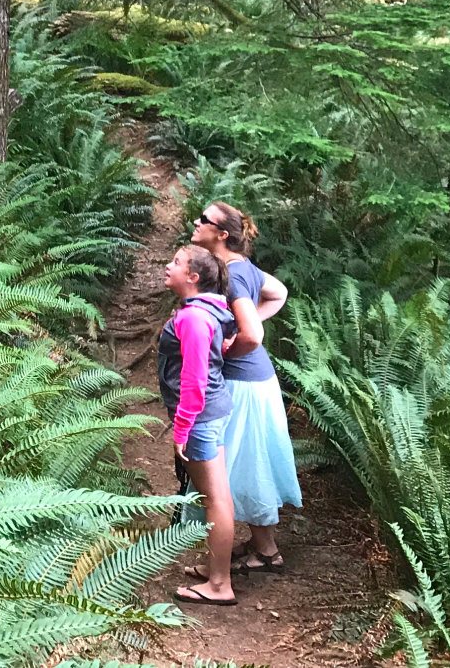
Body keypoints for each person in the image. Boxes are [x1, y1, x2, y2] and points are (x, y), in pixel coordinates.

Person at [191, 200, 301, 572]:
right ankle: (264, 548)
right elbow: (279, 292)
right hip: (258, 382)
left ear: (221, 235)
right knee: (252, 463)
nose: (195, 222)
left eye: (203, 220)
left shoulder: (233, 275)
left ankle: (250, 556)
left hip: (243, 383)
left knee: (238, 468)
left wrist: (229, 345)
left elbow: (253, 335)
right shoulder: (241, 268)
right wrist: (244, 325)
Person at [159, 244, 239, 605]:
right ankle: (216, 571)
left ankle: (220, 585)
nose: (168, 266)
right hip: (214, 412)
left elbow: (194, 380)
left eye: (175, 263)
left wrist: (181, 427)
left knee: (215, 499)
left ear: (192, 277)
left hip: (201, 417)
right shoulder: (210, 311)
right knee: (217, 496)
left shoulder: (193, 318)